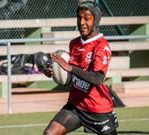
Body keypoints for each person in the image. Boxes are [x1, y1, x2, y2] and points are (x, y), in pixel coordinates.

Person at [43, 1, 118, 135]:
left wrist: (70, 68)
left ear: (96, 21)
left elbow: (98, 79)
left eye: (87, 18)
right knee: (49, 133)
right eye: (79, 17)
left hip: (98, 109)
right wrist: (54, 72)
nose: (82, 22)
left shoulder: (101, 46)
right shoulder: (75, 44)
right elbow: (73, 77)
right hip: (75, 106)